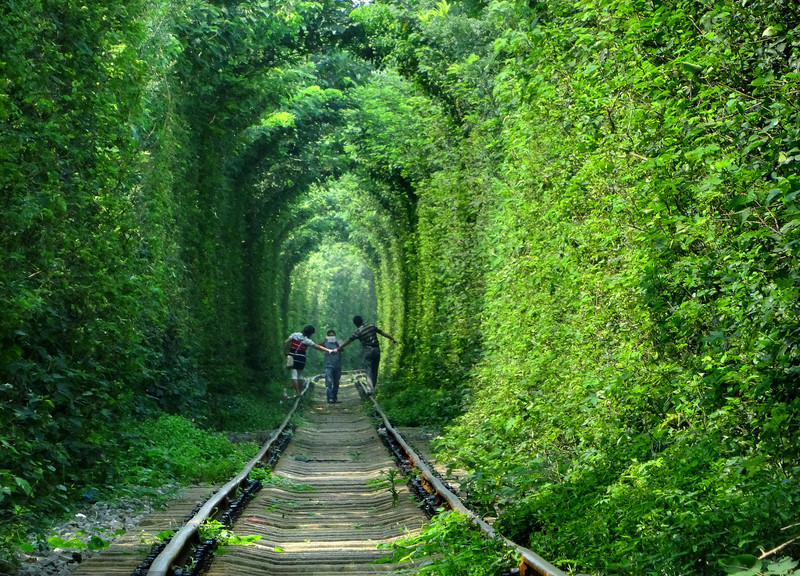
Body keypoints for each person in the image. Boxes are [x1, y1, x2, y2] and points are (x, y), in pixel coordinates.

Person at [336, 316, 397, 392]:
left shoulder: (358, 332)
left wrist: (339, 348)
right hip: (376, 350)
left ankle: (369, 389)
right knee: (375, 369)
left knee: (369, 370)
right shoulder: (372, 326)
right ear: (362, 321)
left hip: (368, 351)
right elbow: (383, 333)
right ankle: (373, 388)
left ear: (355, 324)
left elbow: (348, 341)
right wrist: (392, 338)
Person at [284, 325, 330, 396]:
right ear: (310, 334)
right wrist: (328, 350)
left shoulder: (294, 335)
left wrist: (287, 352)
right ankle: (300, 391)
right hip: (301, 359)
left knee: (293, 375)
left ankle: (297, 392)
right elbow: (317, 347)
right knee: (299, 376)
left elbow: (286, 342)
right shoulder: (307, 340)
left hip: (292, 358)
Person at [319, 329, 343, 403]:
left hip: (337, 365)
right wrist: (324, 340)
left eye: (332, 335)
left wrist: (336, 343)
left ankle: (335, 398)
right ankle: (329, 398)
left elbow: (342, 349)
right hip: (328, 365)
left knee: (336, 382)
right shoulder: (326, 343)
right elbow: (318, 346)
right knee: (329, 382)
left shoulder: (339, 342)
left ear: (335, 335)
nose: (331, 337)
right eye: (329, 336)